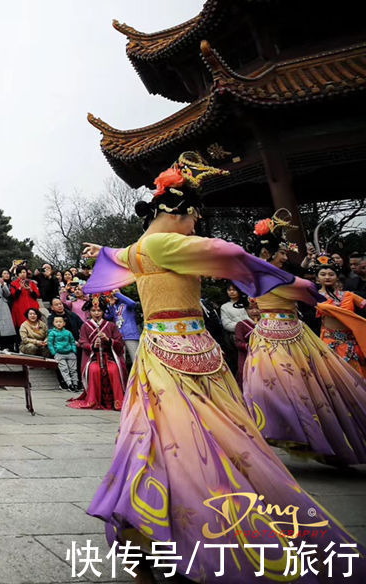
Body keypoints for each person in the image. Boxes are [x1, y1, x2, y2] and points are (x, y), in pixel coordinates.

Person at [79, 152, 358, 584]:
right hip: (185, 354)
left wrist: (103, 251)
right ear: (182, 212)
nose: (196, 226)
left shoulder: (140, 248)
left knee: (158, 435)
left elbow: (121, 256)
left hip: (165, 354)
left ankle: (154, 529)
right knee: (201, 438)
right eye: (195, 218)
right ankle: (192, 527)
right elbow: (231, 255)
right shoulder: (165, 243)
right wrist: (292, 283)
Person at [240, 212, 366, 465]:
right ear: (268, 254)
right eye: (282, 253)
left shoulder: (255, 278)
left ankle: (307, 433)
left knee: (302, 385)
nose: (286, 257)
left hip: (281, 332)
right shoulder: (277, 279)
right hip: (275, 332)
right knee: (279, 386)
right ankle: (286, 428)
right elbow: (310, 292)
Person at [66, 302, 124, 410]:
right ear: (89, 312)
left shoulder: (111, 325)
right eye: (93, 311)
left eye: (99, 311)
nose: (96, 313)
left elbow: (120, 342)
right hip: (93, 357)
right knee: (94, 370)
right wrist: (93, 345)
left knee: (113, 370)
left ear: (103, 312)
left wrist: (108, 340)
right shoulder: (85, 326)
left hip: (109, 356)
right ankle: (93, 400)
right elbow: (83, 342)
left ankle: (117, 400)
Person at [314, 261, 366, 377]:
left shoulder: (349, 295)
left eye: (331, 274)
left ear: (337, 277)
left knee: (355, 375)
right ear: (317, 278)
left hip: (350, 341)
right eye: (323, 274)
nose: (327, 277)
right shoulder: (314, 296)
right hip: (329, 340)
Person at [47, 315, 80, 391]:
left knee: (73, 369)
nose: (59, 323)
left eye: (60, 322)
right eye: (56, 322)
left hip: (70, 353)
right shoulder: (52, 333)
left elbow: (72, 341)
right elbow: (50, 343)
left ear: (64, 323)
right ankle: (69, 384)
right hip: (59, 354)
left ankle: (75, 383)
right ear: (54, 323)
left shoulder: (68, 332)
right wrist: (54, 352)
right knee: (64, 369)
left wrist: (74, 350)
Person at [8, 265, 40, 331]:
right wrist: (20, 288)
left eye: (24, 272)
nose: (23, 274)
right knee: (21, 327)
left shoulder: (31, 283)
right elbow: (14, 296)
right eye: (21, 272)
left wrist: (30, 289)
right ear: (17, 274)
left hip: (31, 306)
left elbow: (36, 295)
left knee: (34, 326)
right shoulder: (14, 283)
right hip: (20, 308)